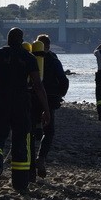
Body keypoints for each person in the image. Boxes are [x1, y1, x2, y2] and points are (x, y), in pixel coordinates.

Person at [0, 28, 50, 193]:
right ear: (22, 41)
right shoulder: (29, 57)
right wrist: (46, 109)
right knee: (21, 140)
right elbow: (38, 85)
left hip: (0, 100)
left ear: (7, 40)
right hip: (21, 103)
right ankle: (20, 183)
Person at [32, 34, 66, 179]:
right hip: (49, 99)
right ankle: (41, 158)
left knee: (30, 132)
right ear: (49, 46)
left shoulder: (30, 56)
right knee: (49, 131)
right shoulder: (53, 59)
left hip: (32, 98)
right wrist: (60, 95)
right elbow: (63, 80)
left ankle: (29, 163)